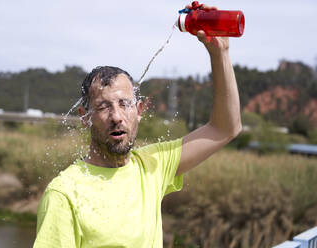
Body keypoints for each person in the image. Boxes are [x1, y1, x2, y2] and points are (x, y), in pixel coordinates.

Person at [33, 4, 241, 248]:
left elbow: (226, 128)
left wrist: (220, 53)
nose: (117, 116)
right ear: (85, 116)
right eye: (102, 107)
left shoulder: (152, 167)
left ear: (139, 111)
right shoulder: (64, 194)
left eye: (124, 104)